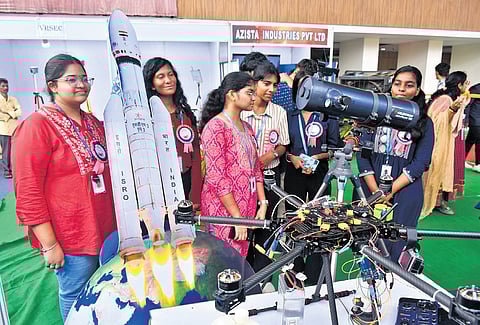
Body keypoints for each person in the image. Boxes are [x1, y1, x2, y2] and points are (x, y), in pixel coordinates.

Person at [13, 54, 116, 321]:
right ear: (52, 86)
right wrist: (49, 244)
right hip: (70, 235)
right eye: (72, 79)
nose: (81, 84)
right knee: (75, 293)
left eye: (84, 79)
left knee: (107, 289)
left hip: (106, 229)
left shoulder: (93, 123)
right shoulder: (36, 125)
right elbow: (28, 190)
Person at [357, 65, 434, 262]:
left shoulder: (425, 122)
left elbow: (422, 162)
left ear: (417, 90)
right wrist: (376, 192)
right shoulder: (374, 115)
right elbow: (362, 155)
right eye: (397, 84)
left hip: (406, 190)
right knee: (368, 240)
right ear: (391, 87)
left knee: (398, 243)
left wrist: (390, 191)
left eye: (409, 85)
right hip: (370, 187)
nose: (401, 89)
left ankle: (394, 284)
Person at [200, 71, 267, 257]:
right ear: (231, 94)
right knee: (222, 261)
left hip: (247, 205)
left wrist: (263, 203)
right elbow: (217, 178)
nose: (255, 97)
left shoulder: (247, 127)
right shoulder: (215, 127)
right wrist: (236, 218)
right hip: (222, 210)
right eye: (249, 92)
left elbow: (256, 170)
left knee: (240, 259)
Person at [285, 69, 341, 285]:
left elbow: (335, 148)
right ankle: (294, 267)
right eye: (302, 88)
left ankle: (316, 271)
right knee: (295, 219)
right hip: (294, 173)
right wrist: (293, 158)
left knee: (321, 220)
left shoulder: (328, 117)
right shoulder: (288, 115)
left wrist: (317, 157)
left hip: (320, 174)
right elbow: (284, 148)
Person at [241, 62, 290, 272]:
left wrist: (270, 155)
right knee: (244, 224)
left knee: (267, 225)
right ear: (255, 82)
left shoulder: (279, 113)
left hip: (270, 177)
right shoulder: (242, 111)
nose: (271, 89)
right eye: (266, 84)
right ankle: (243, 268)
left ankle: (261, 275)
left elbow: (284, 144)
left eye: (275, 85)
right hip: (244, 179)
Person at [143, 57, 202, 210]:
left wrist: (195, 194)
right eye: (160, 76)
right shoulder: (147, 116)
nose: (168, 80)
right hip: (160, 184)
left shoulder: (186, 113)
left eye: (171, 74)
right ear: (152, 85)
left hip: (186, 180)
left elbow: (196, 155)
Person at [422, 71, 470, 217]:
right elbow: (435, 121)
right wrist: (452, 109)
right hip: (441, 142)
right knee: (438, 169)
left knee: (448, 170)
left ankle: (441, 201)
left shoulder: (454, 98)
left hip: (451, 140)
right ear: (459, 84)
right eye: (465, 83)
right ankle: (433, 201)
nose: (467, 85)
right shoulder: (445, 99)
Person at [0, 78, 21, 179]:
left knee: (16, 150)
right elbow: (1, 116)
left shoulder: (13, 99)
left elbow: (19, 111)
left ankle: (17, 169)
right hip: (3, 129)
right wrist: (13, 113)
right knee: (6, 152)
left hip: (14, 128)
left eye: (7, 86)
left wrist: (8, 114)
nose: (6, 88)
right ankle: (6, 171)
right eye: (3, 86)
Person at [465, 83, 480, 171]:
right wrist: (466, 119)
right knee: (478, 140)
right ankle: (478, 163)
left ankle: (461, 158)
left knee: (470, 140)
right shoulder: (476, 88)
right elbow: (468, 105)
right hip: (475, 119)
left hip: (477, 120)